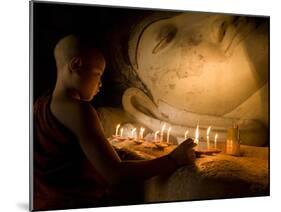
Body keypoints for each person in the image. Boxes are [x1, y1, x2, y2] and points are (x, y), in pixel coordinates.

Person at [33, 34, 197, 210]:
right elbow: (115, 173)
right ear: (76, 65)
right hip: (72, 202)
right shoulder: (79, 110)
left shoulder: (40, 104)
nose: (100, 84)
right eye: (98, 74)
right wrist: (172, 160)